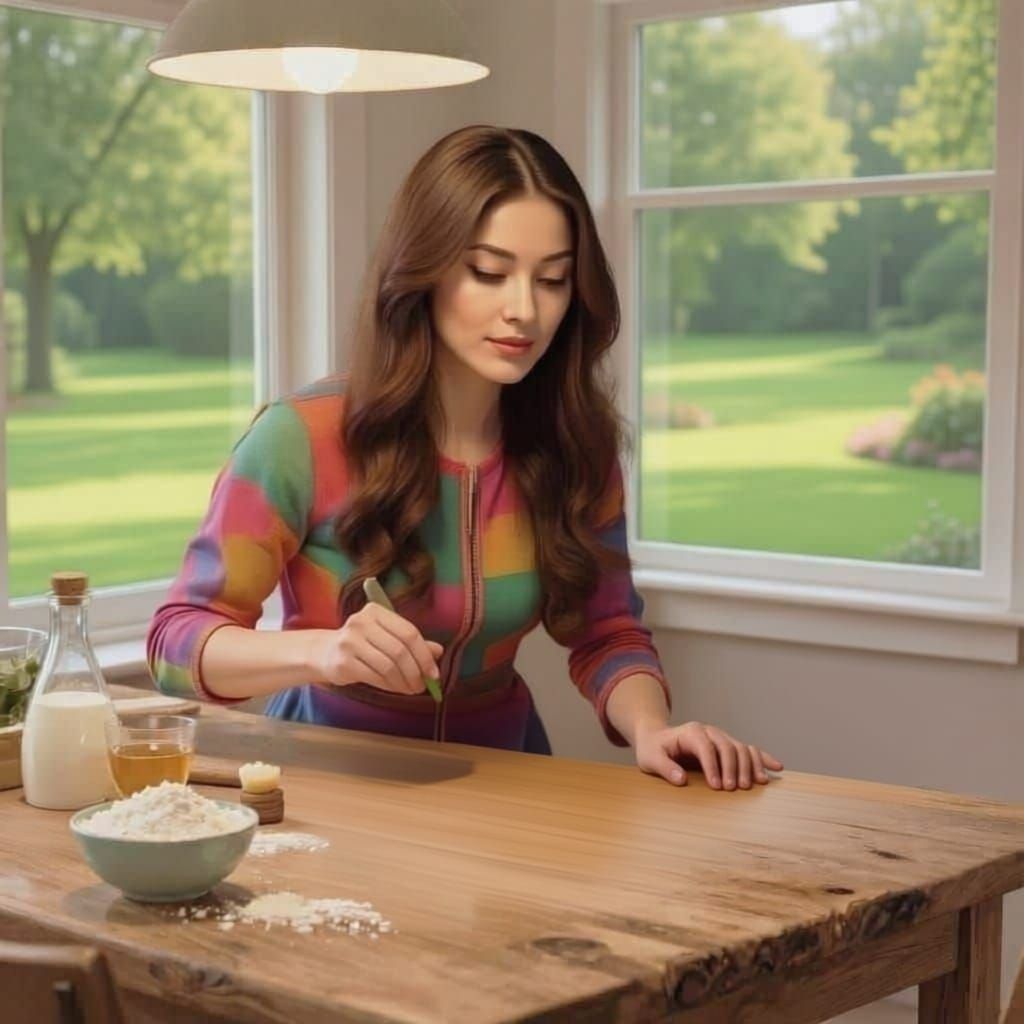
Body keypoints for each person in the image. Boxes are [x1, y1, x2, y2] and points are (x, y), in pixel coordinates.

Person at [147, 124, 783, 791]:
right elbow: (177, 643)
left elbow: (607, 630)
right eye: (489, 272)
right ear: (423, 269)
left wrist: (652, 729)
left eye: (553, 279)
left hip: (505, 789)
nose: (524, 310)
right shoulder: (302, 437)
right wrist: (323, 651)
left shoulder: (576, 448)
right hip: (326, 790)